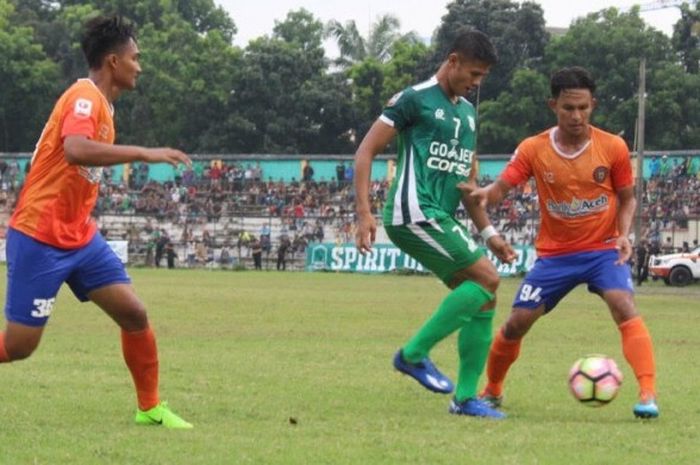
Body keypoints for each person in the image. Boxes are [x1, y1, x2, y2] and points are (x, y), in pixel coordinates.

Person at [2, 15, 192, 428]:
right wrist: (144, 153)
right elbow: (75, 150)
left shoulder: (103, 106)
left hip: (78, 235)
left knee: (134, 314)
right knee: (18, 348)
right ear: (113, 61)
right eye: (135, 58)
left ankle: (150, 408)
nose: (139, 66)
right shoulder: (84, 98)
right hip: (40, 234)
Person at [468, 66, 659, 419]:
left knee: (624, 304)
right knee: (516, 323)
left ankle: (647, 394)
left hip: (603, 250)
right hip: (555, 256)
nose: (576, 116)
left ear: (593, 105)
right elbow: (504, 186)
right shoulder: (533, 148)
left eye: (583, 108)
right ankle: (492, 390)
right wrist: (487, 194)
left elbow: (628, 197)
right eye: (568, 108)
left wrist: (623, 233)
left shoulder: (613, 147)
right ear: (552, 105)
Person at [354, 29, 515, 419]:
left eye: (482, 78)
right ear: (453, 60)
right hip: (412, 211)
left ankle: (464, 399)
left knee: (486, 294)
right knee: (486, 280)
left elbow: (467, 185)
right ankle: (412, 354)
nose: (476, 84)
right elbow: (366, 149)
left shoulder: (468, 114)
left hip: (439, 215)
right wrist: (363, 211)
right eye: (473, 74)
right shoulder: (414, 99)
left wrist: (489, 233)